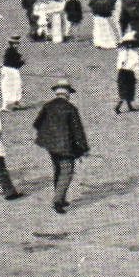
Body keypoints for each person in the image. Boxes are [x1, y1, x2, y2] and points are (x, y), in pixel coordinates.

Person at [34, 80, 90, 214]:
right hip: (65, 147)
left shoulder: (47, 106)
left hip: (51, 146)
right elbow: (78, 131)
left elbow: (37, 124)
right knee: (67, 172)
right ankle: (57, 200)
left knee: (57, 170)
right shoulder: (70, 108)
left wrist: (48, 135)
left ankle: (61, 197)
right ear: (67, 94)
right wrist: (84, 148)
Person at [114, 32, 139, 113]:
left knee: (129, 91)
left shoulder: (127, 52)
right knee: (125, 92)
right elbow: (122, 63)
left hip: (128, 73)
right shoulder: (124, 53)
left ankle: (129, 106)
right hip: (125, 73)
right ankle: (117, 107)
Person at [0, 36, 25, 110]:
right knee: (8, 88)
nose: (16, 45)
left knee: (17, 87)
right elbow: (14, 64)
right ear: (11, 44)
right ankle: (6, 106)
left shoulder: (13, 52)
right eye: (14, 44)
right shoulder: (11, 52)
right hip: (9, 71)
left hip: (13, 71)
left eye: (17, 43)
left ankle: (15, 103)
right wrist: (22, 62)